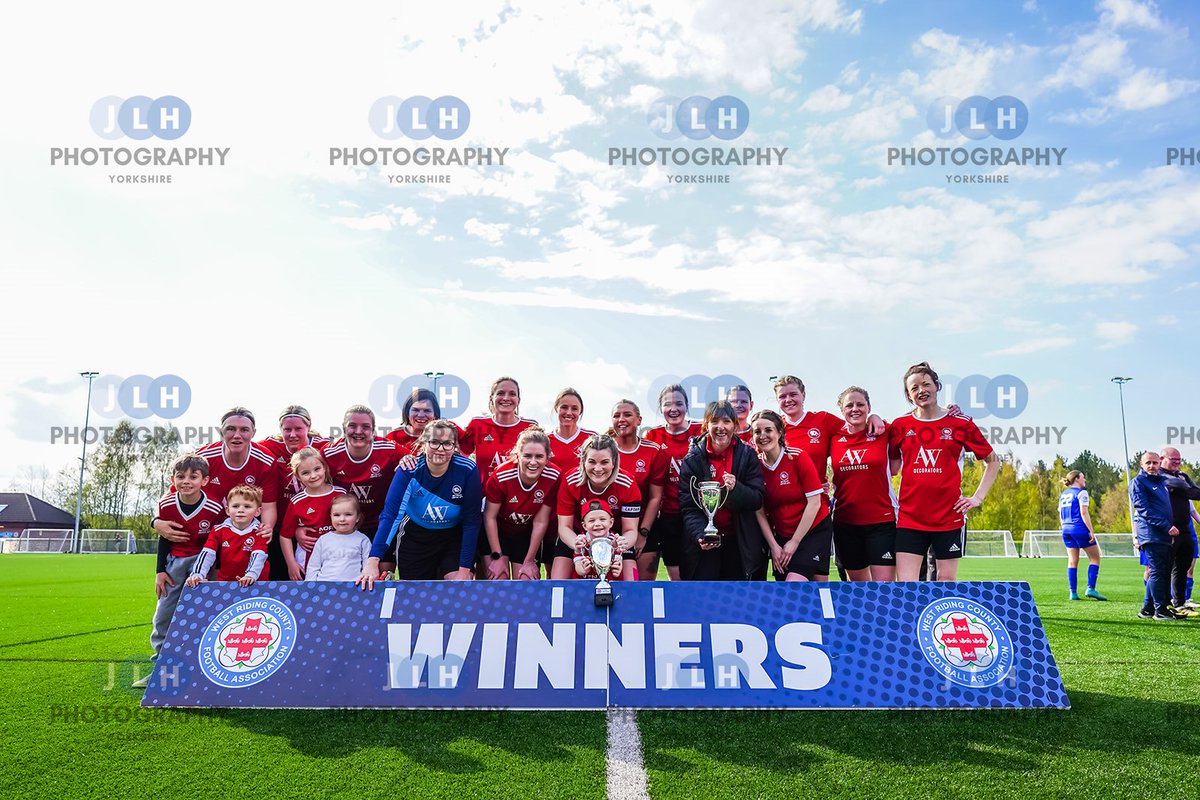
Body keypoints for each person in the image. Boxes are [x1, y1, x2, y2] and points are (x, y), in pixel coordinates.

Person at [887, 362, 1000, 582]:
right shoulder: (900, 425)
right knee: (908, 586)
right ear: (909, 395)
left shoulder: (961, 423)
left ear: (937, 386)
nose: (922, 390)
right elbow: (890, 465)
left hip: (949, 517)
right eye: (914, 388)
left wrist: (977, 497)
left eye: (926, 384)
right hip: (910, 517)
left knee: (945, 583)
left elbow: (993, 461)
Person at [136, 453, 226, 688]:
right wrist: (160, 570)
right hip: (174, 562)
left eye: (193, 476)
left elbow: (218, 539)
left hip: (203, 562)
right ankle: (161, 664)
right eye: (181, 476)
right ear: (172, 479)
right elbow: (164, 536)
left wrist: (214, 572)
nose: (186, 481)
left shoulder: (215, 506)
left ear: (204, 480)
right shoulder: (166, 504)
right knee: (164, 613)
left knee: (202, 614)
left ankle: (202, 665)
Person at [358, 420, 482, 586]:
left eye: (447, 444)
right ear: (424, 443)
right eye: (434, 442)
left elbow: (471, 522)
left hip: (453, 535)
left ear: (455, 446)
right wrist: (372, 562)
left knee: (458, 585)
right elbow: (391, 515)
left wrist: (465, 570)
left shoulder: (467, 469)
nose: (440, 448)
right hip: (416, 536)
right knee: (414, 593)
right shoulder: (409, 470)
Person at [153, 407, 279, 553]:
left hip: (244, 531)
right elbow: (172, 494)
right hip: (204, 533)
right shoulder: (204, 456)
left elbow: (268, 506)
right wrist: (156, 521)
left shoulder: (266, 460)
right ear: (221, 432)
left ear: (253, 433)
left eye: (244, 430)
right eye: (231, 429)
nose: (237, 435)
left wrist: (267, 527)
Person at [678, 400, 767, 581]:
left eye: (726, 421)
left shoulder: (747, 454)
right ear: (706, 425)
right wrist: (701, 533)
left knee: (738, 602)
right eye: (715, 421)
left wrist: (736, 489)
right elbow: (689, 507)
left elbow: (757, 498)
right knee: (705, 603)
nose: (720, 427)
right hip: (706, 545)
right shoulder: (692, 459)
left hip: (739, 542)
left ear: (735, 425)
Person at [750, 410, 828, 582]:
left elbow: (814, 503)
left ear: (779, 432)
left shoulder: (798, 457)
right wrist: (774, 546)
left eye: (768, 430)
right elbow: (759, 512)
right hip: (782, 537)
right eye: (757, 431)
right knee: (800, 594)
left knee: (794, 586)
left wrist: (794, 542)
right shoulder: (755, 466)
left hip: (812, 530)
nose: (763, 435)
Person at [829, 386, 898, 581]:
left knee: (884, 590)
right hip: (846, 522)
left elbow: (916, 419)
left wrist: (949, 410)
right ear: (841, 410)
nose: (855, 409)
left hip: (882, 521)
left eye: (860, 404)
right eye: (849, 405)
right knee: (858, 591)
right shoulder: (833, 436)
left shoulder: (884, 430)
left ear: (869, 407)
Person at [553, 434, 641, 580]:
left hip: (614, 537)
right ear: (583, 461)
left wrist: (620, 544)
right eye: (592, 462)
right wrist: (578, 544)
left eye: (604, 462)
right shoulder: (570, 481)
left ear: (614, 461)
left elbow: (630, 530)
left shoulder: (627, 484)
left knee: (632, 584)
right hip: (578, 537)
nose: (598, 468)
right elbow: (564, 527)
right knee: (557, 582)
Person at [255, 405, 328, 579]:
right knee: (279, 576)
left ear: (308, 427)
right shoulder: (269, 446)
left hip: (315, 526)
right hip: (281, 526)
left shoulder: (323, 447)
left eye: (298, 429)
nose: (292, 434)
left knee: (315, 577)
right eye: (287, 429)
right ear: (280, 430)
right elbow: (244, 447)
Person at [482, 427, 561, 579]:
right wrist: (497, 557)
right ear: (517, 456)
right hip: (498, 532)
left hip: (526, 534)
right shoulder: (501, 475)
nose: (533, 462)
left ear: (547, 458)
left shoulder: (554, 476)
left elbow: (540, 521)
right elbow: (490, 517)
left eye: (539, 456)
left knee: (526, 581)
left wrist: (530, 560)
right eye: (527, 456)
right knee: (499, 577)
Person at [644, 384, 702, 581]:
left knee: (700, 567)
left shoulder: (700, 429)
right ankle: (680, 608)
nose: (673, 408)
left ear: (687, 406)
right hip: (669, 513)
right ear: (660, 408)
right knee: (675, 570)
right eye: (667, 404)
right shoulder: (653, 435)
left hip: (698, 512)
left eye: (679, 403)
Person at [610, 399, 668, 581]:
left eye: (627, 415)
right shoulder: (603, 448)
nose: (621, 419)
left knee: (642, 587)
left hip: (644, 524)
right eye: (616, 415)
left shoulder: (653, 451)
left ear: (639, 420)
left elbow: (655, 497)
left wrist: (642, 534)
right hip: (607, 527)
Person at [321, 405, 401, 536]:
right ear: (344, 428)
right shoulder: (329, 453)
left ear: (373, 430)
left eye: (365, 427)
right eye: (352, 426)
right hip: (343, 525)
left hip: (381, 524)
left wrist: (407, 459)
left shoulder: (389, 449)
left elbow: (419, 462)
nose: (358, 431)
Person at [184, 484, 269, 588]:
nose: (241, 510)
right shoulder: (218, 530)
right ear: (227, 510)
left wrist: (251, 575)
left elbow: (258, 555)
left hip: (255, 583)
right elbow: (207, 553)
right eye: (235, 506)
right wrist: (198, 574)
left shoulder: (260, 531)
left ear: (257, 511)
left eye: (247, 506)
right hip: (226, 583)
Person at [280, 447, 346, 580]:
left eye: (317, 469)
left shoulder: (341, 494)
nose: (313, 476)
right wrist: (291, 563)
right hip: (308, 559)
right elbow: (285, 536)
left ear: (324, 468)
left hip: (340, 556)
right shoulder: (297, 502)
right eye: (305, 473)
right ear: (297, 476)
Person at [1130, 451, 1182, 620]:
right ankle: (1160, 610)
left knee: (1158, 571)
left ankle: (1147, 609)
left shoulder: (1161, 481)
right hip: (1152, 534)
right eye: (1148, 463)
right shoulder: (1138, 482)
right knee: (1159, 571)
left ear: (1159, 464)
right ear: (1141, 464)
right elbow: (1144, 509)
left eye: (1154, 462)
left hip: (1163, 535)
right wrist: (1166, 526)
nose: (1152, 466)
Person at [460, 376, 537, 487]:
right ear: (492, 398)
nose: (506, 398)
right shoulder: (477, 424)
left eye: (512, 394)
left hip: (519, 499)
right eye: (500, 393)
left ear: (518, 400)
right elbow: (462, 458)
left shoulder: (530, 426)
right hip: (483, 497)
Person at [1160, 447, 1200, 616]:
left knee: (1182, 567)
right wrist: (1184, 487)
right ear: (1163, 458)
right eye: (1173, 460)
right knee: (1164, 568)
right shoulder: (1159, 476)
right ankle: (1163, 603)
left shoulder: (1182, 476)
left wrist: (1183, 486)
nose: (1177, 463)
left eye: (1179, 460)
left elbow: (1196, 493)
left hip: (1185, 529)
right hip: (1169, 529)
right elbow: (1179, 487)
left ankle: (1179, 602)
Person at [1058, 471, 1106, 601]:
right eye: (1083, 477)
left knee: (1072, 561)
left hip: (1066, 529)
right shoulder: (1081, 493)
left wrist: (1064, 528)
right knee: (1095, 558)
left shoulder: (1064, 494)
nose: (1085, 480)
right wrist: (1091, 530)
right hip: (1079, 528)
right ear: (1077, 479)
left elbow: (1061, 515)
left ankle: (1072, 593)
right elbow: (1084, 512)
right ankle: (1091, 588)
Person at [305, 494, 372, 582]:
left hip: (353, 587)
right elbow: (313, 567)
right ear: (331, 516)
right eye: (336, 515)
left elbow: (368, 567)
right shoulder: (323, 540)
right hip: (324, 586)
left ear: (357, 517)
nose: (342, 519)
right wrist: (310, 586)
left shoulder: (363, 540)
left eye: (348, 514)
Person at [384, 388, 464, 456]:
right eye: (415, 410)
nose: (421, 415)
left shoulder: (448, 430)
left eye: (427, 411)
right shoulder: (392, 437)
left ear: (435, 415)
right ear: (407, 413)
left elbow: (471, 447)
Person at [547, 388, 596, 473]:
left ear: (580, 411)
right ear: (556, 408)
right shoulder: (545, 440)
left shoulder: (592, 438)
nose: (569, 412)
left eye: (574, 408)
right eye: (564, 407)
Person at [573, 499, 625, 580]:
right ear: (584, 525)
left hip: (610, 584)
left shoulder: (615, 541)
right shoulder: (581, 542)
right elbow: (579, 569)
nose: (597, 524)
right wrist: (583, 570)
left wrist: (617, 570)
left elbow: (618, 568)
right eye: (591, 520)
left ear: (611, 522)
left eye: (602, 519)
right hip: (584, 587)